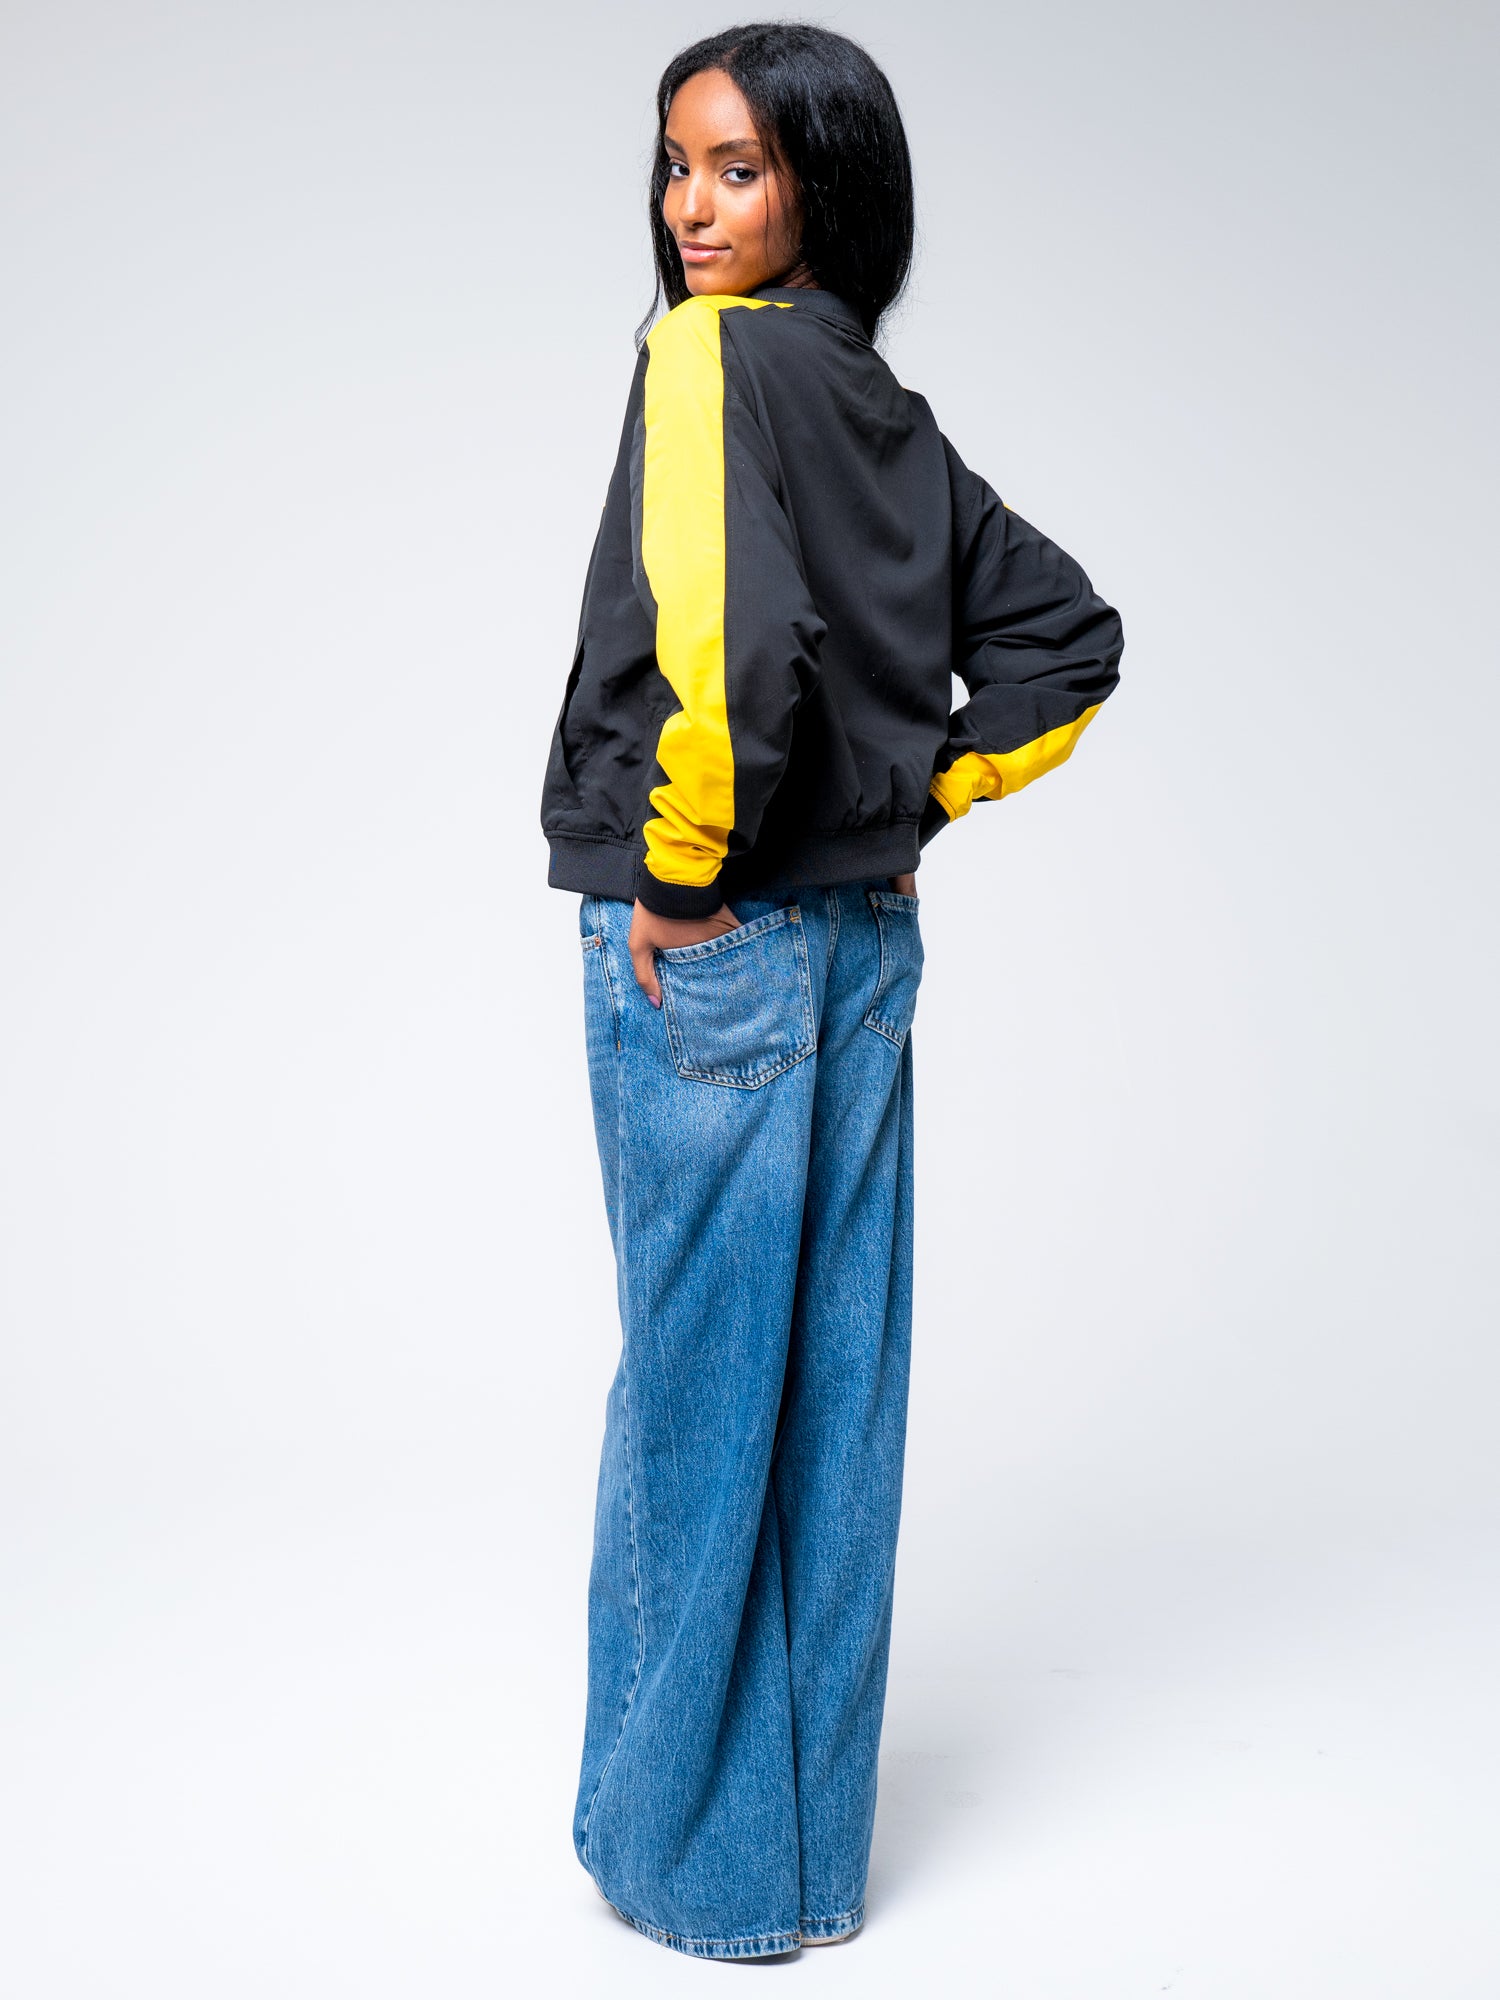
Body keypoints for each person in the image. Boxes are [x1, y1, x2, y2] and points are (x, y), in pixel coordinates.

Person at [539, 20, 1123, 1961]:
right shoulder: (876, 400)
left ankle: (694, 1878)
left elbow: (735, 654)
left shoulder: (709, 359)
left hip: (720, 951)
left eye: (740, 167)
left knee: (700, 1402)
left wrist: (682, 878)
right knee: (830, 1401)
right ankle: (797, 1872)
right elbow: (1064, 637)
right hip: (863, 945)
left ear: (825, 182)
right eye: (677, 164)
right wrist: (910, 800)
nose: (691, 209)